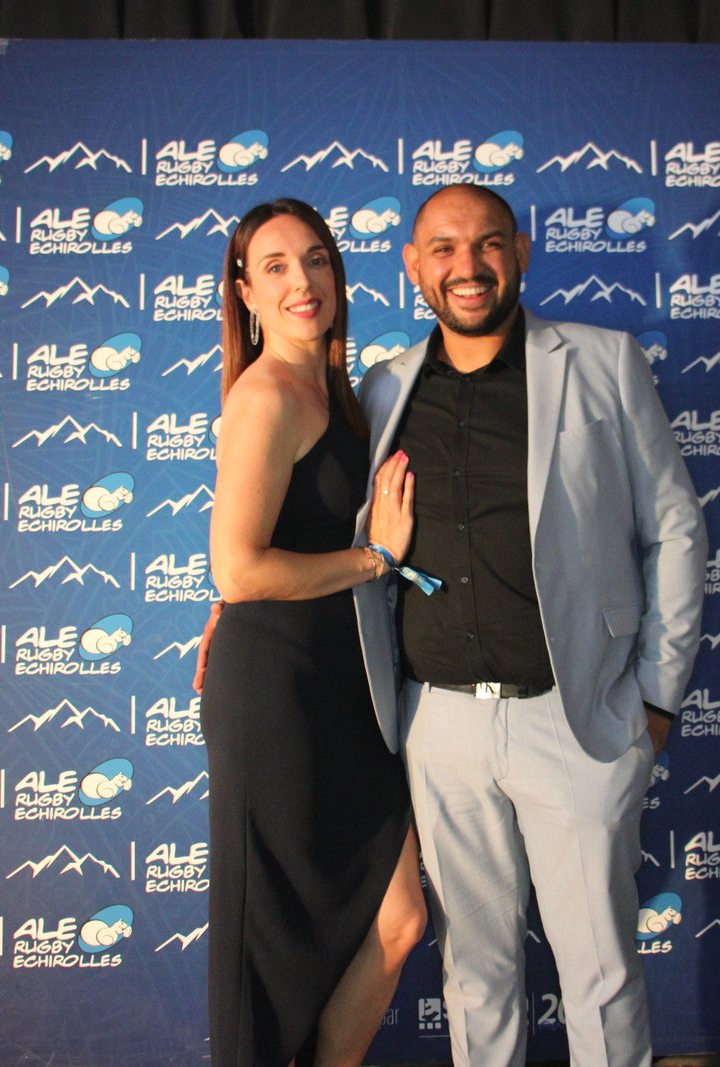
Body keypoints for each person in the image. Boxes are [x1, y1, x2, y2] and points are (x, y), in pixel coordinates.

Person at [350, 183, 707, 1067]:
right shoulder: (384, 387)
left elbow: (675, 526)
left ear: (520, 251)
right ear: (414, 266)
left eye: (487, 243)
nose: (467, 266)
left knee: (601, 975)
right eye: (443, 248)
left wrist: (656, 699)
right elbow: (335, 533)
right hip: (439, 726)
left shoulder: (603, 361)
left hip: (577, 718)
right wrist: (236, 600)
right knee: (475, 977)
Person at [196, 198, 427, 1067]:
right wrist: (375, 559)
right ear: (245, 293)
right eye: (277, 266)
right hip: (279, 696)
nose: (304, 281)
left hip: (344, 686)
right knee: (276, 950)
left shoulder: (343, 394)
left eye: (318, 259)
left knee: (398, 920)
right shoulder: (264, 396)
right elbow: (239, 569)